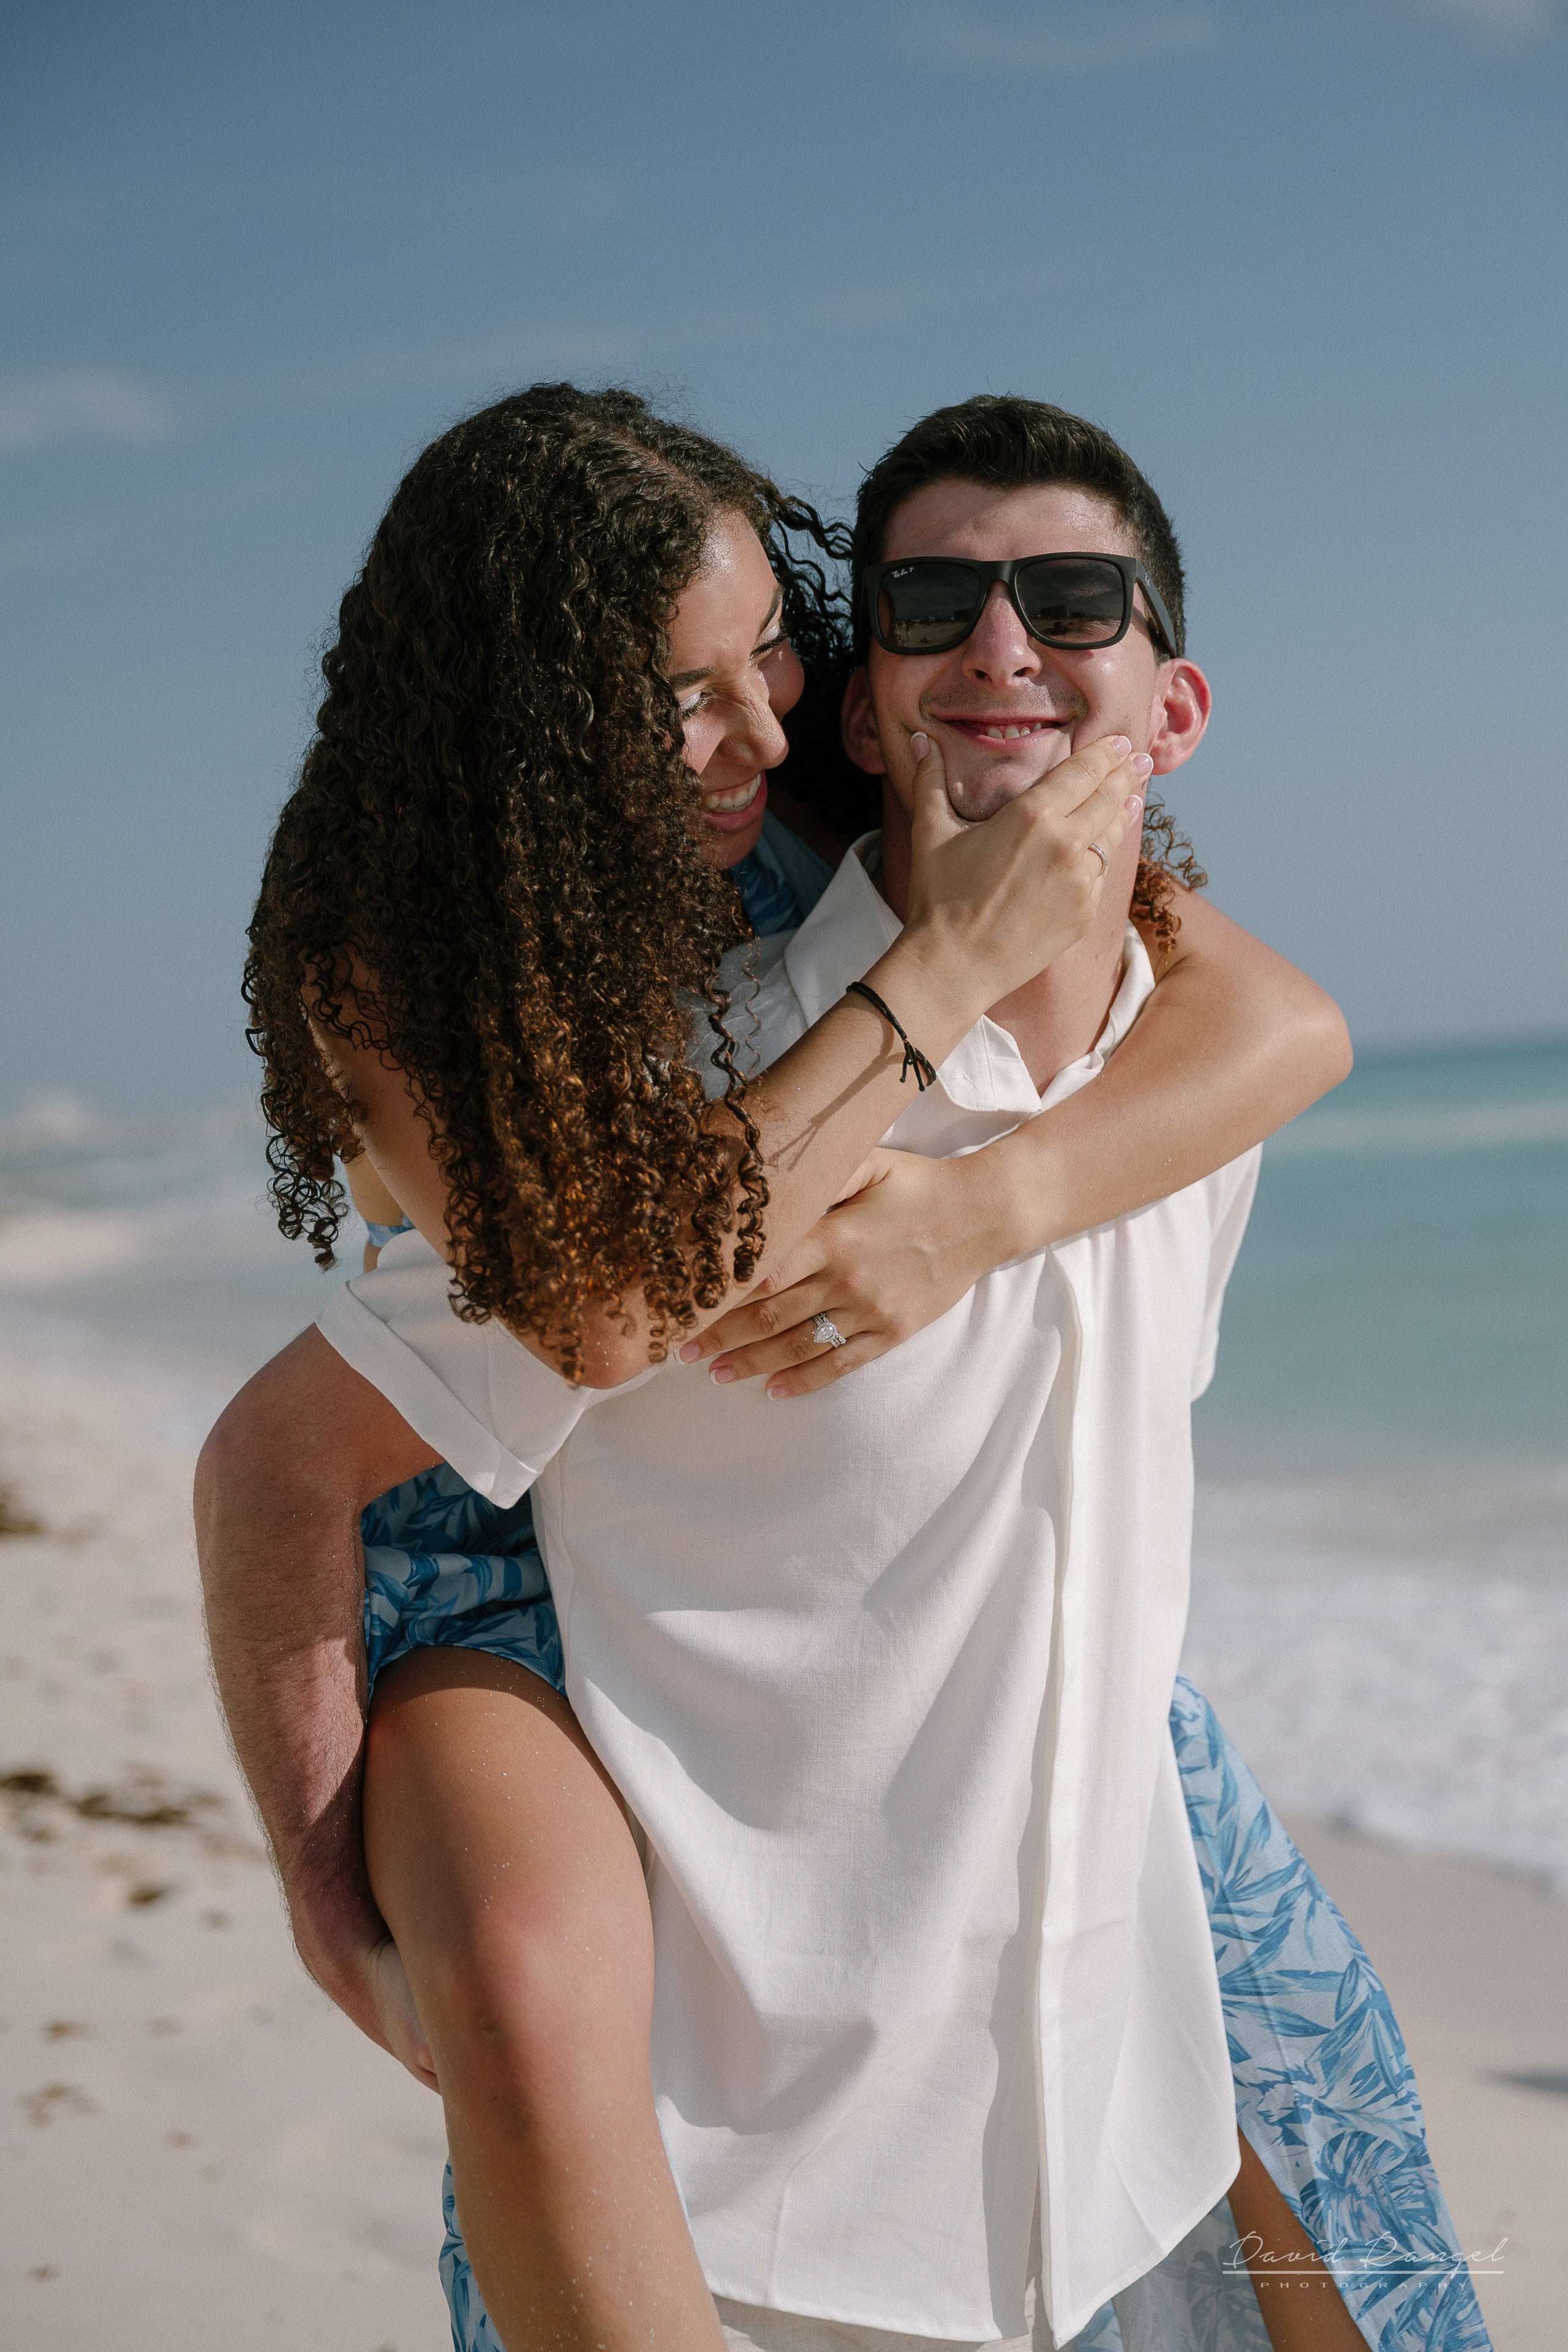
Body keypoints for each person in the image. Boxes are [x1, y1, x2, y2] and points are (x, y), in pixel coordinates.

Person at [198, 387, 1485, 2352]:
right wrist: (320, 1886)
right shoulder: (407, 960)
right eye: (681, 699)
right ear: (540, 730)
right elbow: (604, 1309)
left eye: (772, 659)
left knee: (1322, 2153)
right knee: (534, 2003)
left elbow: (1283, 1020)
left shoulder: (815, 821)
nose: (765, 728)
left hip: (751, 1458)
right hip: (476, 1530)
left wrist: (982, 1206)